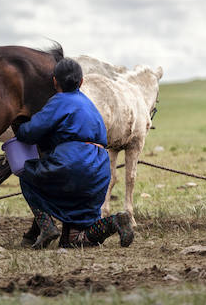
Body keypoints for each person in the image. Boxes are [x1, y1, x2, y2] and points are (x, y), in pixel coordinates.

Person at [13, 57, 134, 249]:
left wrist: (18, 127)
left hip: (72, 163)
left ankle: (47, 226)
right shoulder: (88, 104)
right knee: (73, 241)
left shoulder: (59, 101)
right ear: (82, 82)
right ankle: (114, 222)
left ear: (54, 82)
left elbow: (31, 132)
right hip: (100, 169)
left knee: (27, 174)